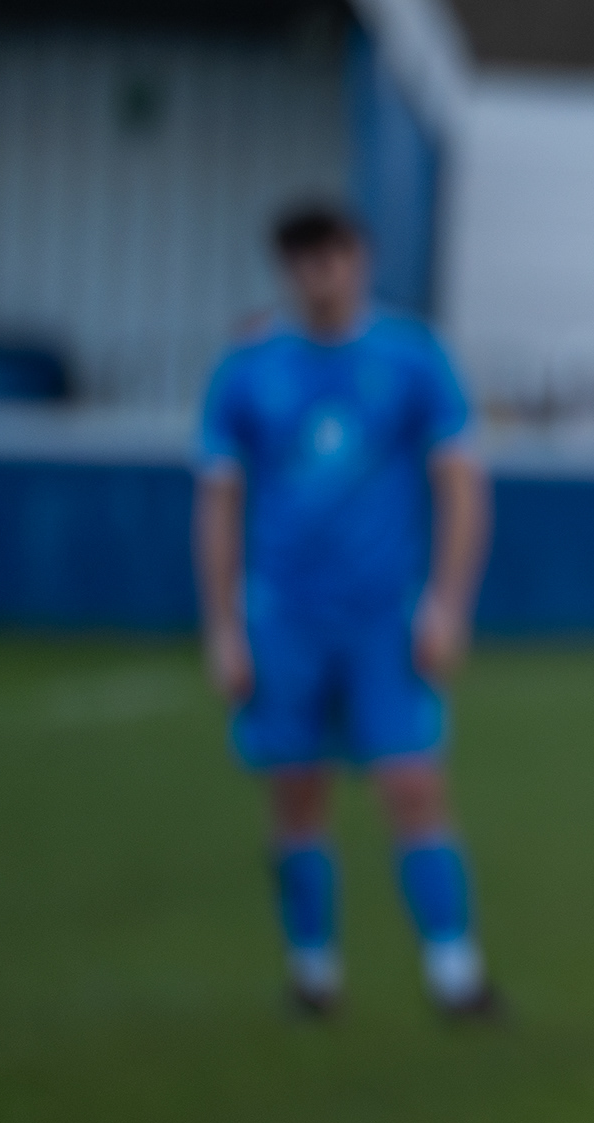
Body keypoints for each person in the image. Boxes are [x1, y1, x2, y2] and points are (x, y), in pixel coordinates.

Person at [194, 201, 497, 1018]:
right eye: (302, 260)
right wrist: (223, 626)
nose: (319, 276)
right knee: (295, 791)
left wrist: (448, 602)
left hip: (383, 617)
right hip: (284, 616)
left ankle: (455, 974)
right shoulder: (248, 370)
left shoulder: (411, 358)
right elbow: (218, 500)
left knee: (413, 785)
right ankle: (313, 974)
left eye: (331, 256)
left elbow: (461, 484)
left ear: (360, 260)